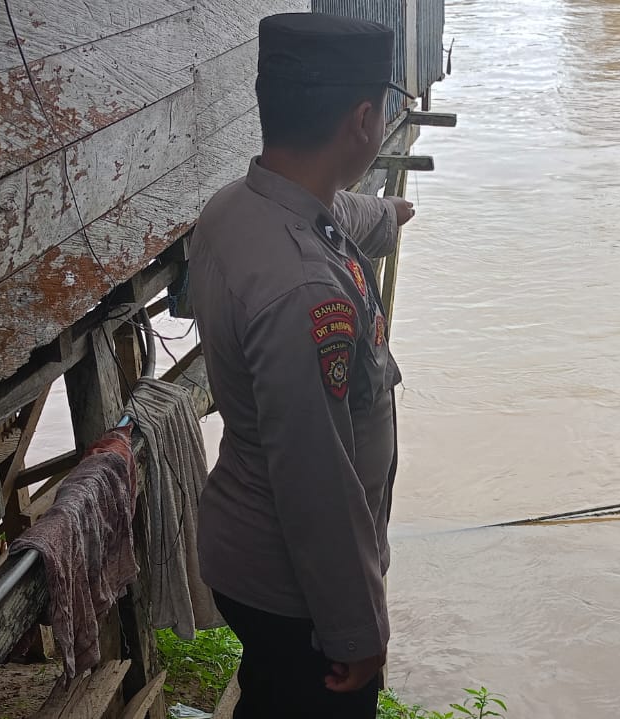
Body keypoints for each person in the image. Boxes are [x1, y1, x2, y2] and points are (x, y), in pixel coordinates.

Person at [186, 12, 416, 719]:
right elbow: (315, 477)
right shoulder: (306, 292)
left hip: (246, 551)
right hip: (298, 590)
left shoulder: (234, 209)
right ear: (363, 121)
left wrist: (388, 215)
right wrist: (355, 629)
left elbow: (332, 214)